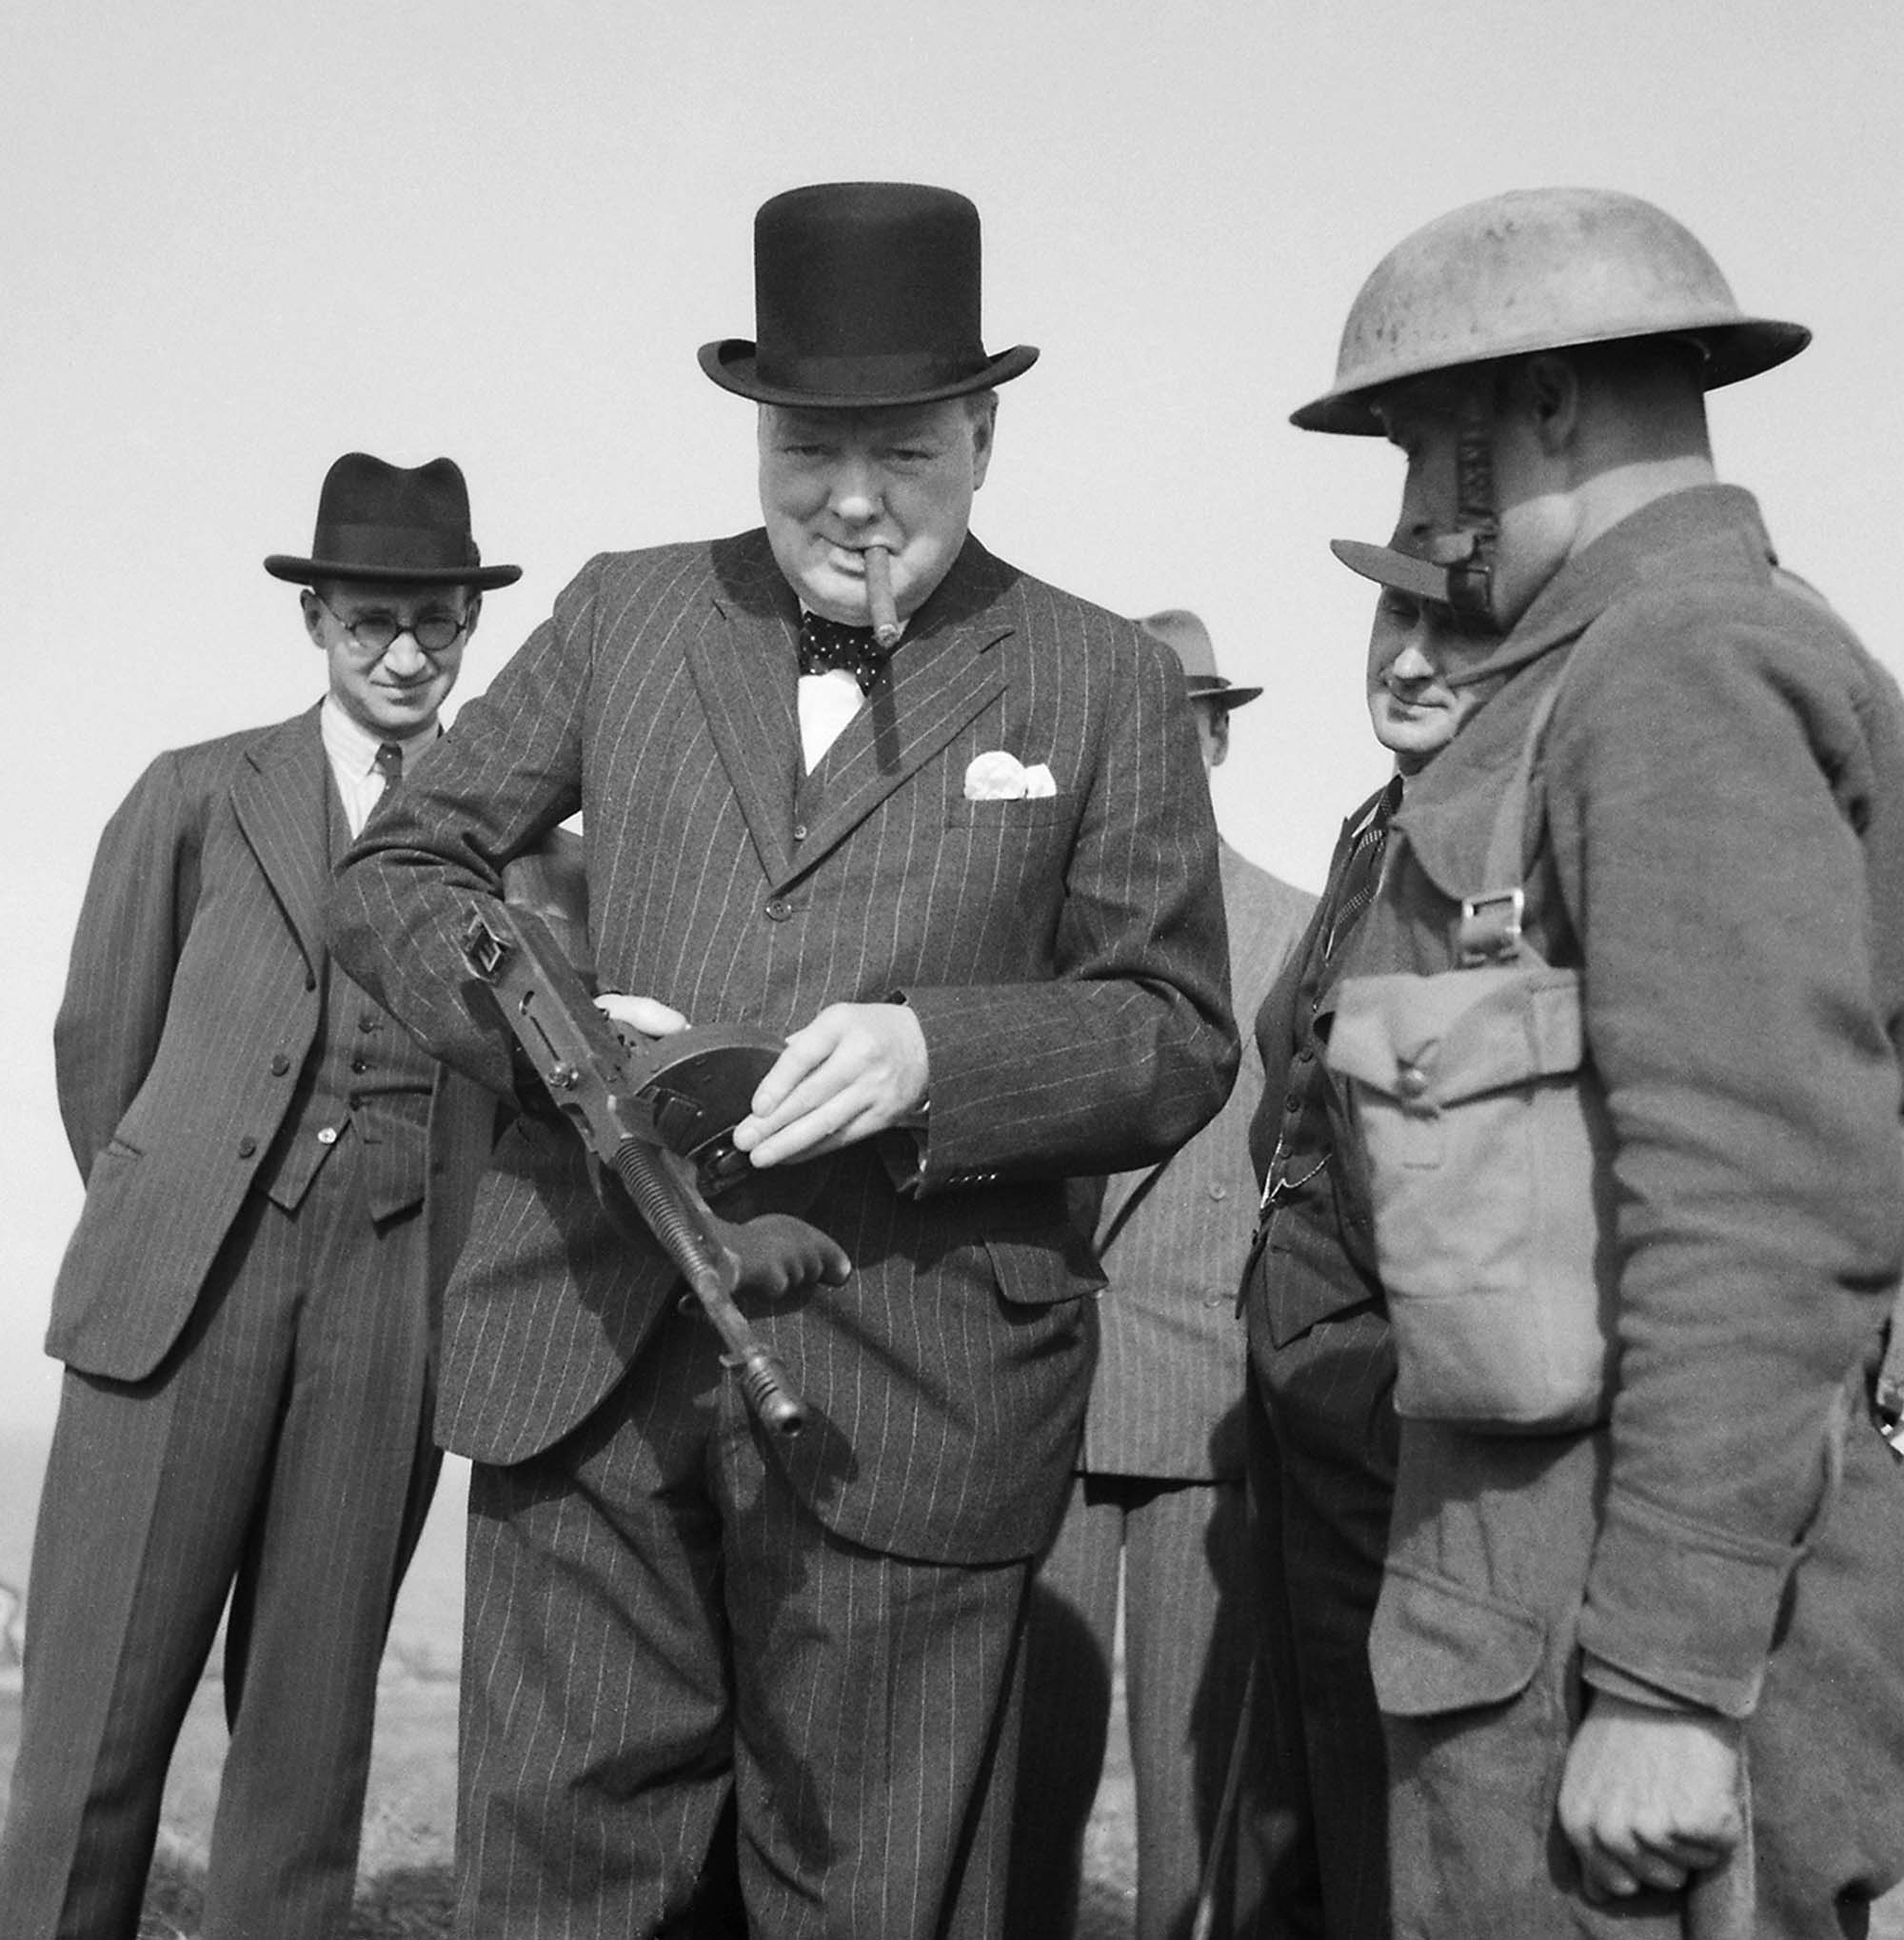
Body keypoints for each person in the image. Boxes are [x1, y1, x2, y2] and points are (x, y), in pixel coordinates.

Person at [328, 181, 1237, 1940]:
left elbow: (1175, 1031)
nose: (851, 497)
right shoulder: (625, 613)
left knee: (868, 1899)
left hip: (914, 1397)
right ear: (756, 434)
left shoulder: (1106, 680)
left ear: (984, 437)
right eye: (808, 446)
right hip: (581, 1365)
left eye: (903, 451)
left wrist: (936, 1055)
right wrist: (553, 1026)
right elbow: (400, 871)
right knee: (555, 1894)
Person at [1290, 185, 1904, 1937]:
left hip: (1611, 1668)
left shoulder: (1678, 668)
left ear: (1547, 404)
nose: (1412, 506)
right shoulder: (1618, 666)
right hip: (1543, 1624)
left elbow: (1759, 1195)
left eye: (1425, 444)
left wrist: (1668, 1682)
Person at [0, 453, 519, 1938]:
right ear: (316, 621)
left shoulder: (508, 838)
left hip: (391, 1313)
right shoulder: (194, 792)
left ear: (470, 622)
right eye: (371, 622)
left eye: (435, 622)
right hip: (183, 1297)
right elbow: (102, 1045)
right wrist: (180, 1213)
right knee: (91, 1735)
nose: (405, 654)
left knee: (307, 1742)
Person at [1007, 609, 1314, 1940]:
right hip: (1052, 1395)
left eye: (1181, 728)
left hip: (1210, 1402)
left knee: (1197, 1791)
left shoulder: (1296, 930)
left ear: (1220, 738)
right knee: (1028, 1777)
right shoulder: (1032, 926)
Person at [1240, 564, 1496, 1940]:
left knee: (1403, 1822)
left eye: (1454, 626)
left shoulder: (1504, 843)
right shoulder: (1376, 826)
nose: (1407, 658)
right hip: (1311, 1393)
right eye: (1395, 617)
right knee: (1315, 1808)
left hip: (1408, 1412)